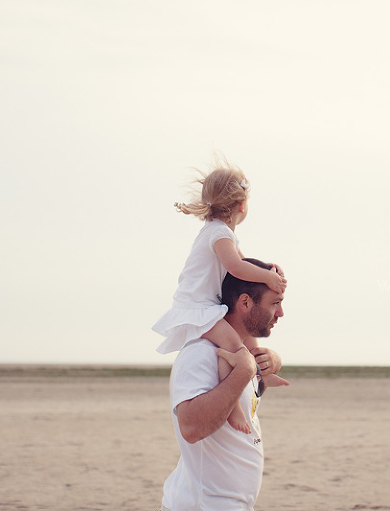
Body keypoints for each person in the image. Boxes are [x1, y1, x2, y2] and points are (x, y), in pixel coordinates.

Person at [152, 159, 288, 434]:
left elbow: (244, 266)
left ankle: (260, 378)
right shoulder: (219, 233)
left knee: (248, 342)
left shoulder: (218, 233)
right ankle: (234, 407)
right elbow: (236, 267)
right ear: (241, 206)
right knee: (235, 350)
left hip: (205, 306)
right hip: (198, 308)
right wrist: (268, 279)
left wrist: (270, 270)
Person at [160, 258, 286, 511]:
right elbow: (192, 427)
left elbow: (242, 397)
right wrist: (244, 372)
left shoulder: (239, 353)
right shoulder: (202, 354)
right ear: (245, 303)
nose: (281, 313)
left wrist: (267, 364)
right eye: (275, 303)